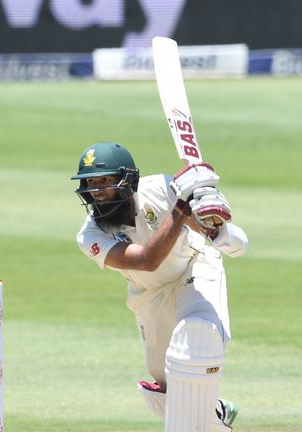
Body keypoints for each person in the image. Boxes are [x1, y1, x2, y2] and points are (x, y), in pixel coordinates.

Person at [72, 142, 248, 431]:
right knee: (166, 393)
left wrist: (210, 215)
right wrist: (181, 205)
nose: (97, 191)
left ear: (127, 180)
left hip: (194, 267)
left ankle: (211, 415)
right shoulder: (89, 234)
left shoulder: (161, 188)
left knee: (196, 338)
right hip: (149, 294)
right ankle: (217, 412)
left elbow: (228, 239)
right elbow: (147, 260)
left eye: (105, 181)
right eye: (91, 183)